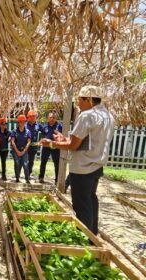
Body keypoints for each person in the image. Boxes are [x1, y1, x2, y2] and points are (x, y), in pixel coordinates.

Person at [40, 85, 114, 235]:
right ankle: (93, 233)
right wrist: (64, 139)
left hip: (83, 167)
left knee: (81, 205)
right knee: (91, 200)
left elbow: (73, 145)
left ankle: (84, 237)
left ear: (89, 100)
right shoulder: (107, 116)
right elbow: (86, 142)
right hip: (96, 165)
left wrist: (52, 143)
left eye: (79, 100)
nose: (78, 104)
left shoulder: (87, 116)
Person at [39, 112, 63, 184]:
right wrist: (43, 140)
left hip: (55, 147)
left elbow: (62, 136)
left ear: (56, 118)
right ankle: (41, 177)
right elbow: (42, 136)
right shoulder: (45, 126)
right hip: (46, 147)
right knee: (43, 162)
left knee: (57, 163)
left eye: (53, 117)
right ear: (48, 118)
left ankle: (57, 180)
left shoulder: (59, 126)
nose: (52, 119)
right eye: (50, 117)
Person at [11, 115, 31, 183]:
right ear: (18, 122)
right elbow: (12, 141)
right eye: (20, 122)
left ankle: (27, 179)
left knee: (25, 164)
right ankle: (17, 178)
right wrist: (17, 151)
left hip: (24, 150)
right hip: (16, 150)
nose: (22, 123)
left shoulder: (28, 131)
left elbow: (28, 142)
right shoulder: (14, 131)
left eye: (23, 122)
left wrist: (23, 151)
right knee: (17, 163)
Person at [25, 110, 43, 177]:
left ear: (36, 117)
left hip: (33, 146)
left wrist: (40, 141)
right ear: (28, 117)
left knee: (31, 161)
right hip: (25, 146)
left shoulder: (38, 125)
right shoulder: (25, 124)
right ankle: (18, 174)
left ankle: (28, 174)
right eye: (30, 116)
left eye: (33, 116)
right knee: (23, 161)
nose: (31, 117)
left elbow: (45, 133)